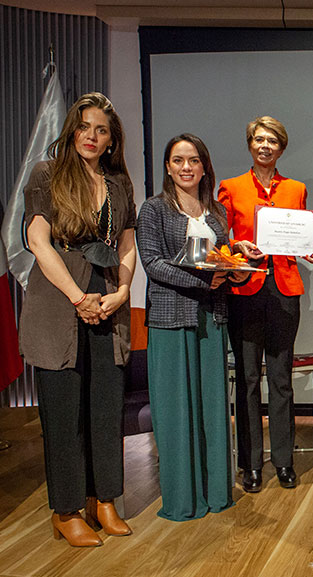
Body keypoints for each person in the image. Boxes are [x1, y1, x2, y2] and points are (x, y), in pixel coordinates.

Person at [19, 92, 136, 546]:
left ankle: (102, 500)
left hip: (109, 299)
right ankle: (66, 509)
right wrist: (76, 297)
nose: (92, 136)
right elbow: (37, 241)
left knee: (106, 406)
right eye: (84, 127)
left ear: (111, 139)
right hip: (59, 300)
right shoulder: (47, 174)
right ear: (72, 131)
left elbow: (127, 245)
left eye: (101, 129)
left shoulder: (119, 183)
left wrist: (123, 290)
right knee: (65, 411)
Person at [136, 134, 248, 521]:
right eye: (178, 160)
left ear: (204, 166)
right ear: (168, 166)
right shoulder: (153, 210)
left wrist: (237, 262)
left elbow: (222, 257)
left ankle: (217, 492)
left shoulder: (215, 211)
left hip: (212, 319)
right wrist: (203, 283)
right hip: (171, 320)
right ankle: (184, 500)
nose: (187, 167)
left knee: (212, 409)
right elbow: (152, 264)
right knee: (175, 411)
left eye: (194, 160)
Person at [218, 116, 313, 493]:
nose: (265, 146)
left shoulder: (296, 189)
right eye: (259, 140)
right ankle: (250, 464)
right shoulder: (230, 187)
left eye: (272, 141)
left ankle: (283, 461)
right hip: (245, 289)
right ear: (250, 145)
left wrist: (307, 250)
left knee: (281, 380)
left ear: (281, 147)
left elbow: (300, 237)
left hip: (284, 289)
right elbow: (219, 240)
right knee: (246, 380)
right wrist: (234, 248)